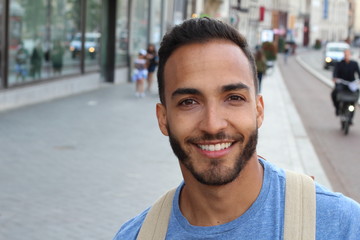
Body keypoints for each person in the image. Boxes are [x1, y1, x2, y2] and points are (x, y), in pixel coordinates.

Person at [113, 18, 360, 239]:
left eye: (233, 98)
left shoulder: (342, 226)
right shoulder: (135, 235)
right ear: (163, 118)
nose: (212, 124)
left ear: (259, 110)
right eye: (189, 102)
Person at [331, 49, 360, 116]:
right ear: (343, 55)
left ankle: (351, 117)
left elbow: (358, 73)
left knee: (356, 94)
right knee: (334, 94)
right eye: (345, 54)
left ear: (350, 55)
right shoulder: (339, 63)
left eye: (348, 54)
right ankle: (337, 108)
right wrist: (335, 78)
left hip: (351, 84)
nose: (346, 56)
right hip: (342, 83)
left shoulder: (354, 64)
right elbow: (335, 72)